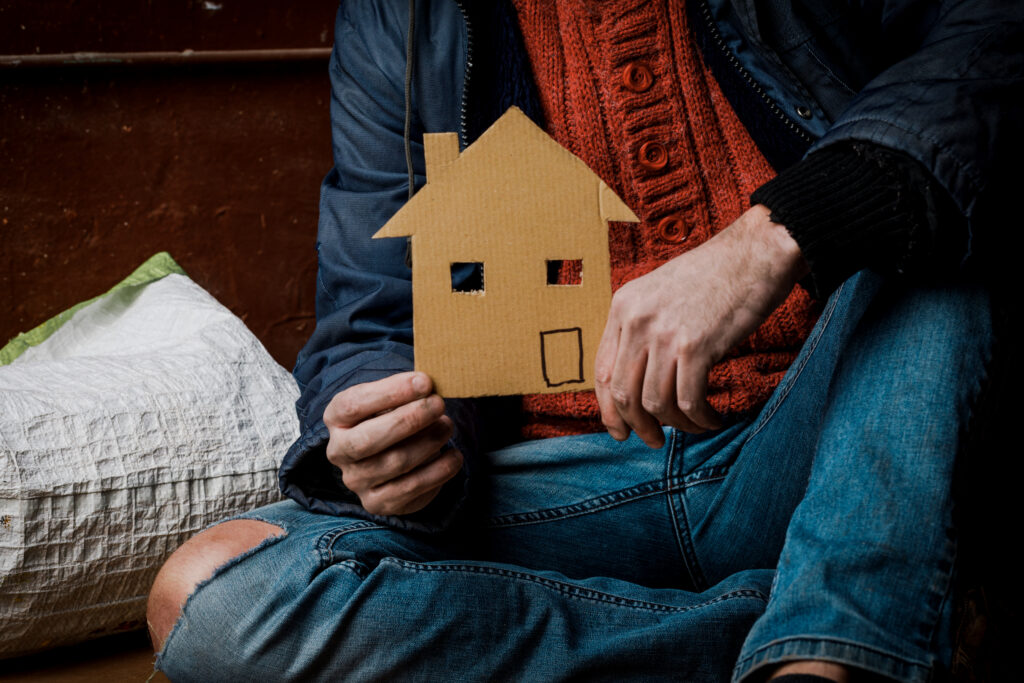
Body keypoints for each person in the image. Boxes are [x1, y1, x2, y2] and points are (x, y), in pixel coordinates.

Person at [147, 1, 1021, 681]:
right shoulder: (399, 16)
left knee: (940, 240)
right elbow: (372, 311)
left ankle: (827, 655)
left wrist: (774, 235)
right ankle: (824, 626)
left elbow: (989, 51)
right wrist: (388, 433)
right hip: (556, 490)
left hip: (825, 447)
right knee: (211, 597)